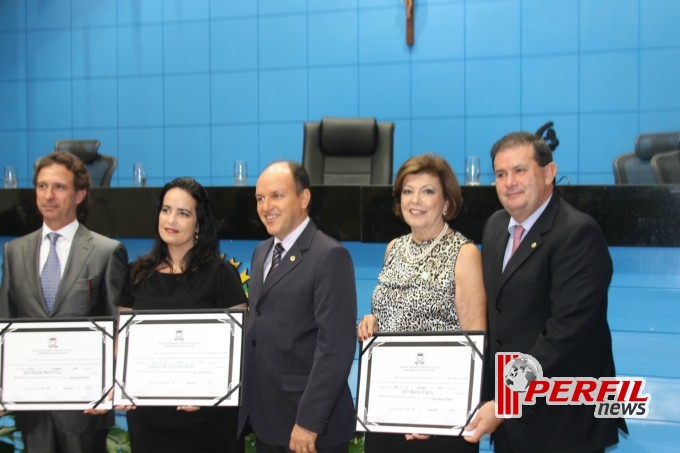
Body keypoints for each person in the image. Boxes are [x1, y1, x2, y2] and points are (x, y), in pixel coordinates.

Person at [464, 132, 627, 452]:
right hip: (510, 418)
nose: (510, 181)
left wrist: (503, 402)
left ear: (549, 173)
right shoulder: (496, 226)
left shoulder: (578, 233)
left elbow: (563, 335)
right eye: (500, 174)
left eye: (520, 170)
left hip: (563, 422)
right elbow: (496, 321)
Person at [357, 154, 486, 453]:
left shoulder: (464, 253)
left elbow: (474, 344)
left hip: (437, 419)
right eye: (407, 191)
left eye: (427, 191)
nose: (415, 200)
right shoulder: (393, 248)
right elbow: (392, 313)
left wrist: (440, 416)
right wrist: (372, 321)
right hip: (388, 409)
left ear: (446, 202)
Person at [0, 151, 128, 453]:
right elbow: (6, 324)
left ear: (80, 194)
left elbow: (119, 328)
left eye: (59, 187)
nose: (48, 195)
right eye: (42, 186)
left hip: (85, 407)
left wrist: (109, 388)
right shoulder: (14, 252)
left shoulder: (106, 252)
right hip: (32, 407)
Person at [116, 177, 247, 453]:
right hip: (149, 420)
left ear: (198, 223)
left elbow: (242, 346)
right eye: (166, 209)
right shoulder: (136, 273)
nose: (171, 219)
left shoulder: (221, 275)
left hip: (208, 420)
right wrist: (121, 384)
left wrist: (210, 388)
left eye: (183, 213)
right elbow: (121, 342)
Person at [238, 161, 357, 453]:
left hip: (310, 429)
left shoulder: (330, 255)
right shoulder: (261, 252)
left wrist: (309, 421)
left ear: (303, 198)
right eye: (260, 198)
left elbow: (336, 347)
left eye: (277, 196)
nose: (266, 207)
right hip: (268, 421)